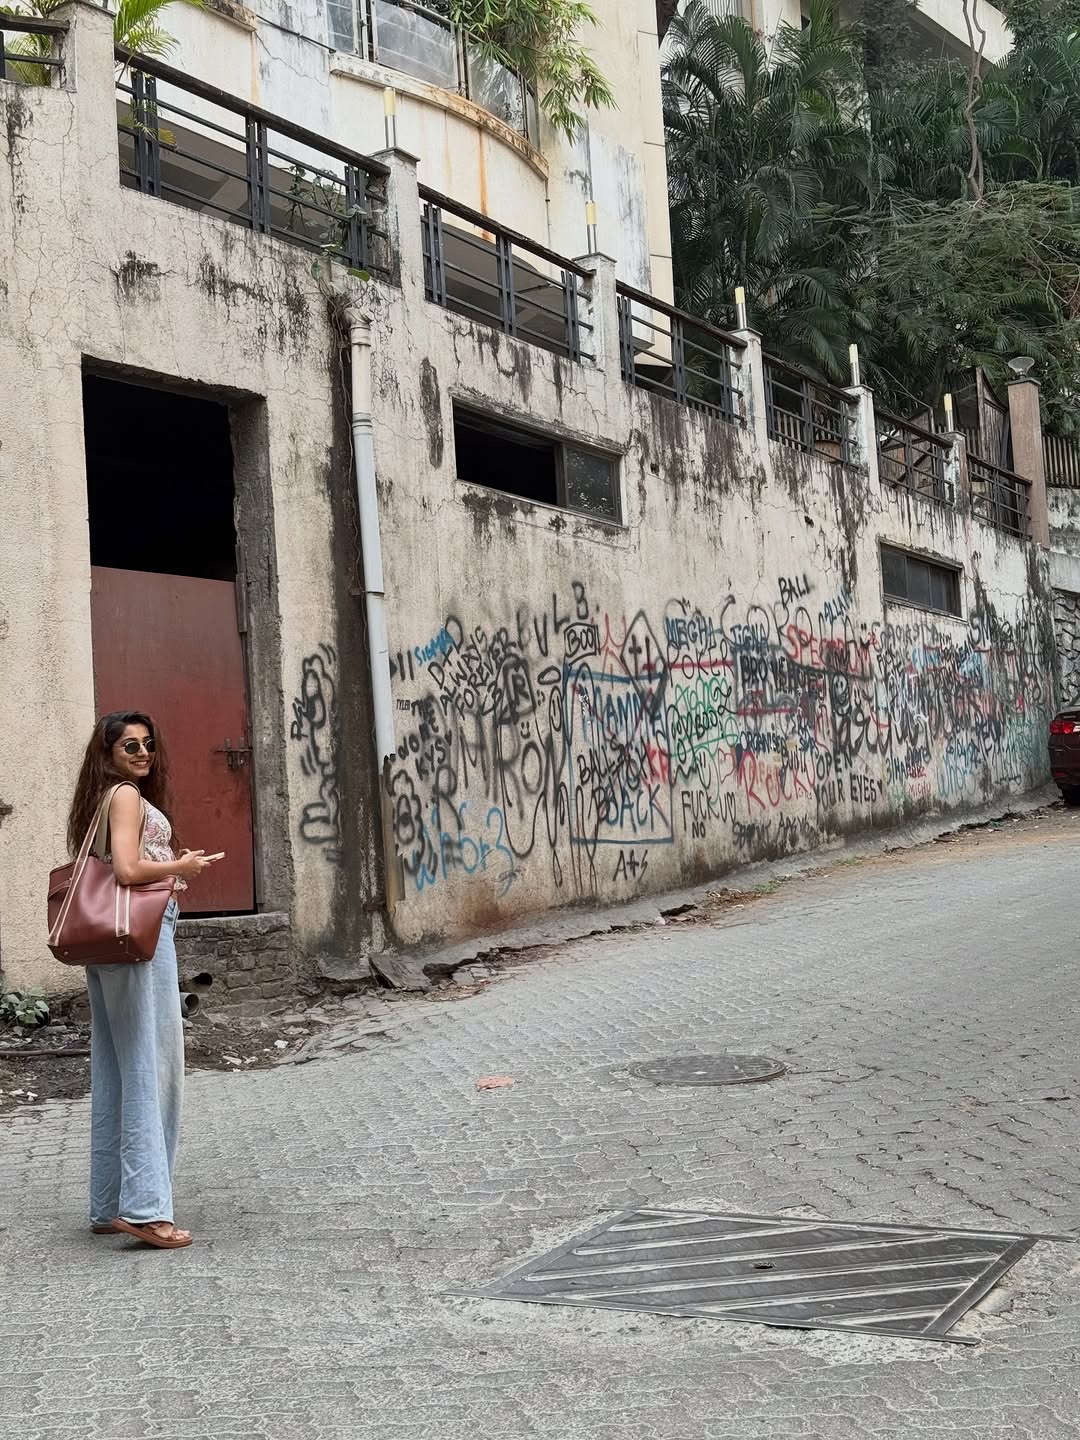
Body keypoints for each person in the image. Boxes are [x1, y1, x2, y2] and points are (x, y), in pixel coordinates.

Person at [66, 711, 220, 1249]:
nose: (142, 753)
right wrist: (181, 867)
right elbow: (129, 870)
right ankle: (148, 1210)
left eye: (148, 744)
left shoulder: (102, 797)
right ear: (107, 752)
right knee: (153, 1066)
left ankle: (110, 1204)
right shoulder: (125, 795)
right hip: (139, 935)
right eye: (129, 745)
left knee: (116, 1064)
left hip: (110, 940)